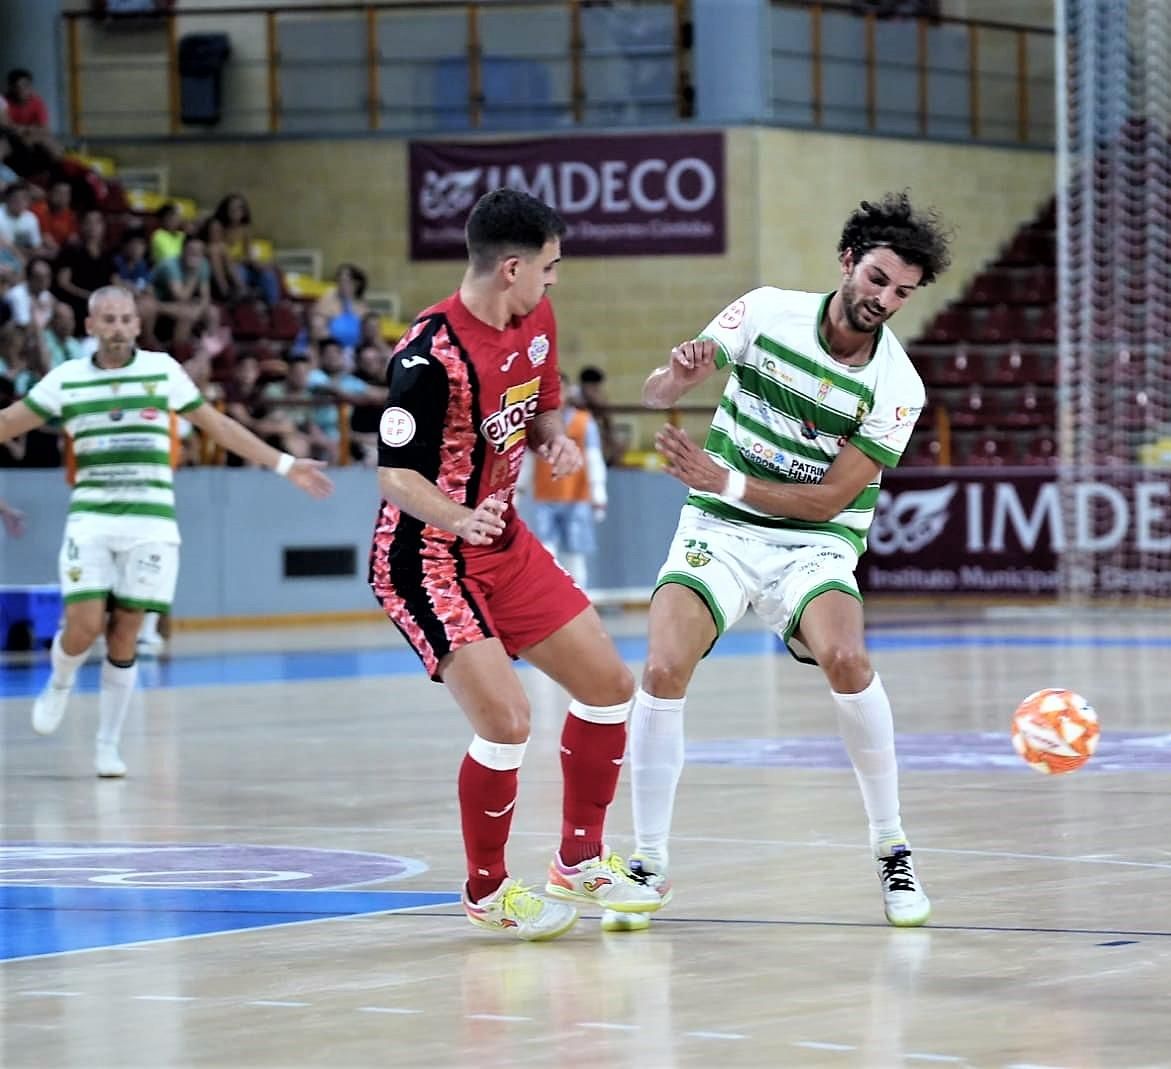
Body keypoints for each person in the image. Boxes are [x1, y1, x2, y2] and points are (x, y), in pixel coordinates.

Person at [609, 192, 947, 933]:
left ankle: (892, 847)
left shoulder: (899, 386)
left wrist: (720, 475)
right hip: (719, 528)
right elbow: (656, 391)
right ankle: (647, 861)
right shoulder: (765, 311)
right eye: (878, 278)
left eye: (901, 292)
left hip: (811, 541)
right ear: (848, 261)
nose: (885, 298)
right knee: (662, 671)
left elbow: (828, 502)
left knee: (848, 657)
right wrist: (679, 377)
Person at [368, 188, 661, 941]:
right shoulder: (427, 356)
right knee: (507, 719)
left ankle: (579, 859)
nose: (554, 280)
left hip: (505, 543)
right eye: (549, 267)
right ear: (510, 268)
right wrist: (460, 515)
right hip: (427, 555)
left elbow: (541, 403)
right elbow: (395, 477)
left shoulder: (535, 321)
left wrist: (553, 438)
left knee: (608, 684)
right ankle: (487, 890)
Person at [0, 285, 334, 777]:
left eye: (124, 319)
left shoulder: (162, 371)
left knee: (126, 634)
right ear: (90, 326)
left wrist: (284, 464)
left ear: (137, 325)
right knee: (85, 626)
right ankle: (61, 678)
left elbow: (216, 425)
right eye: (106, 319)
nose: (116, 328)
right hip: (91, 519)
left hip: (151, 523)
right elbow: (9, 421)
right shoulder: (66, 379)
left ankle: (107, 745)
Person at [521, 372, 607, 590]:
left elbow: (594, 457)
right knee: (546, 552)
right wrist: (519, 490)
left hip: (576, 497)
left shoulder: (583, 421)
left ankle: (580, 598)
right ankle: (550, 599)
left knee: (575, 553)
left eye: (561, 389)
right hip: (544, 496)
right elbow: (527, 459)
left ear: (569, 392)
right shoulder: (535, 424)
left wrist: (599, 494)